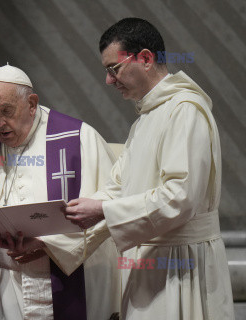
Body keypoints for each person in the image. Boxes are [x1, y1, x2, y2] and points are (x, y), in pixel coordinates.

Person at [64, 18, 235, 319]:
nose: (108, 80)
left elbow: (179, 197)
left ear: (144, 58)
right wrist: (55, 238)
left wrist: (104, 210)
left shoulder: (185, 109)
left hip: (182, 267)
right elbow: (116, 189)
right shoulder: (145, 120)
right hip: (149, 266)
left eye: (113, 69)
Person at [0, 64, 121, 320]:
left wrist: (48, 245)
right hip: (6, 287)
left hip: (72, 281)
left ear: (31, 103)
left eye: (7, 112)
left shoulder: (78, 138)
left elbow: (111, 206)